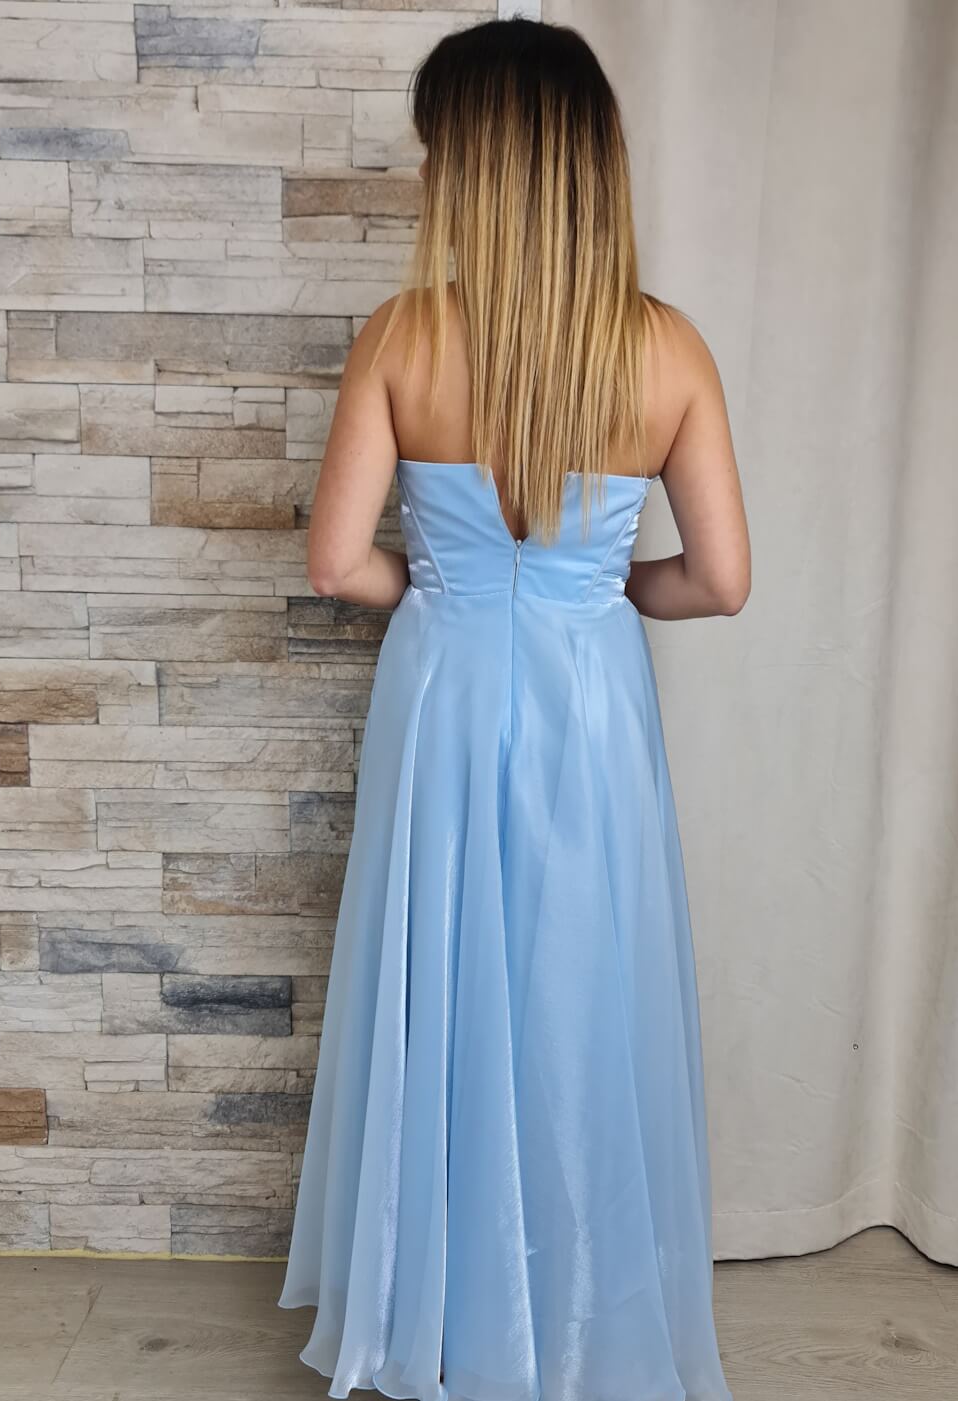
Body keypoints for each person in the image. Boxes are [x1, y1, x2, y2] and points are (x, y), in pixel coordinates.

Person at [278, 16, 749, 1401]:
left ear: (473, 169)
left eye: (437, 151)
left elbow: (334, 562)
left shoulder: (403, 337)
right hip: (591, 709)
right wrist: (596, 590)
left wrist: (447, 582)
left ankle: (438, 1317)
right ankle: (577, 1321)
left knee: (445, 985)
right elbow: (722, 580)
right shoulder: (666, 350)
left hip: (446, 695)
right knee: (577, 997)